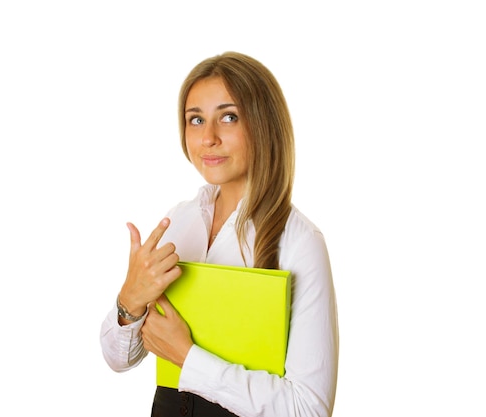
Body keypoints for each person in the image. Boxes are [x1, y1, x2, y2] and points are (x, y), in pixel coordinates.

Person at [100, 51, 339, 417]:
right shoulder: (178, 222)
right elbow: (119, 361)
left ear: (263, 125)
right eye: (195, 120)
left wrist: (188, 357)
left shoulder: (299, 241)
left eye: (228, 117)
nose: (208, 138)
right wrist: (129, 304)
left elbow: (308, 409)